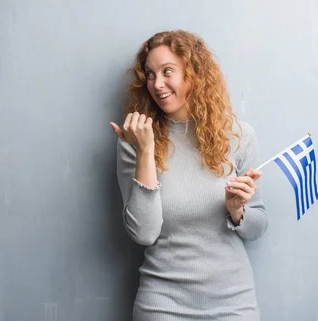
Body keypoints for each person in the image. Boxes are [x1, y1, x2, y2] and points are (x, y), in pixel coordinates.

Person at [109, 30, 269, 321]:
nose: (157, 84)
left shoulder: (238, 136)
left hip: (233, 304)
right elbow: (144, 233)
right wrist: (146, 151)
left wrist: (238, 211)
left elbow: (258, 226)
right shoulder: (134, 141)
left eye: (167, 71)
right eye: (149, 74)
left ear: (193, 73)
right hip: (162, 305)